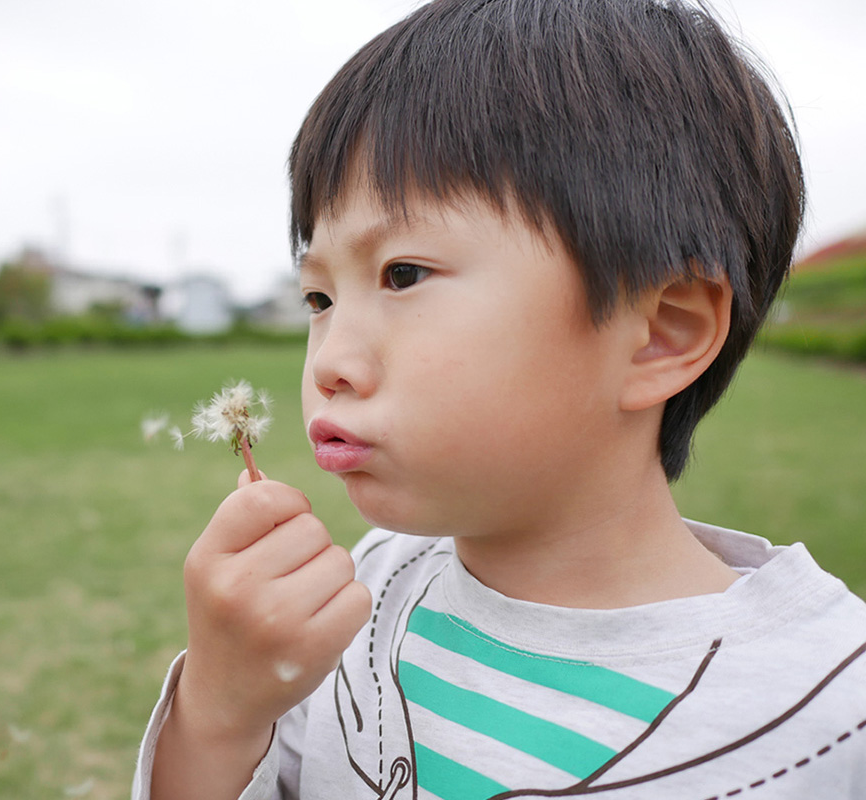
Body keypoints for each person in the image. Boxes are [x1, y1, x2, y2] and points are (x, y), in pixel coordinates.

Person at [134, 0, 866, 797]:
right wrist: (220, 710)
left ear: (661, 333)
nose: (330, 361)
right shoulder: (359, 600)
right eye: (319, 300)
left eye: (403, 274)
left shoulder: (829, 716)